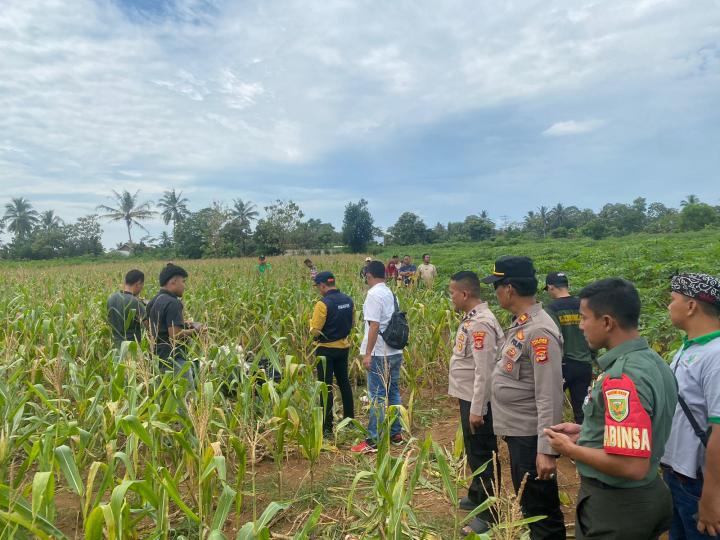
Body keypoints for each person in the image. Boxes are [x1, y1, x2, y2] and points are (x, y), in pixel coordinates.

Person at [544, 278, 678, 540]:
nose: (581, 326)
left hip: (617, 507)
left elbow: (631, 465)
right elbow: (638, 431)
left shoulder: (622, 377)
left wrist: (571, 450)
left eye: (584, 318)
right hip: (644, 495)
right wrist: (586, 432)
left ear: (607, 322)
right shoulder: (652, 361)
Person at [481, 256, 566, 540]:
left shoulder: (539, 331)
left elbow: (549, 394)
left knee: (541, 513)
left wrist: (546, 449)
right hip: (519, 434)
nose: (495, 293)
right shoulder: (521, 324)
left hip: (531, 438)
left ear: (509, 289)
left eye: (497, 286)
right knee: (532, 509)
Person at [661, 273, 720, 539]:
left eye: (672, 299)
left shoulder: (715, 355)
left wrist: (711, 496)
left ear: (691, 305)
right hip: (678, 476)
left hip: (699, 485)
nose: (668, 306)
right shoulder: (689, 348)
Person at [448, 271, 505, 536]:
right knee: (474, 450)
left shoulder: (480, 324)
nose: (451, 297)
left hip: (477, 400)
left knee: (483, 453)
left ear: (465, 294)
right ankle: (476, 495)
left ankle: (488, 514)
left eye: (452, 293)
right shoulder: (472, 319)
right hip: (469, 396)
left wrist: (478, 408)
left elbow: (485, 370)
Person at [351, 260, 405, 454]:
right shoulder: (391, 292)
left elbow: (374, 326)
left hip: (380, 353)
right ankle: (395, 433)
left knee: (377, 396)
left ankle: (374, 440)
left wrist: (368, 354)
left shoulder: (373, 295)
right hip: (395, 351)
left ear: (368, 275)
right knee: (393, 393)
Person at [545, 271, 595, 424]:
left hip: (563, 366)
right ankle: (584, 442)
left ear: (551, 287)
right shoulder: (584, 304)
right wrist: (591, 357)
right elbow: (594, 331)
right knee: (582, 409)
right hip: (584, 364)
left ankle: (554, 442)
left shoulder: (550, 309)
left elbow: (555, 338)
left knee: (551, 407)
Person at [310, 271, 355, 436]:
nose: (318, 290)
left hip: (325, 351)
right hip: (343, 347)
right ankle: (350, 420)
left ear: (323, 285)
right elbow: (352, 323)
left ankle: (327, 428)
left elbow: (315, 331)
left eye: (318, 287)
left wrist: (310, 324)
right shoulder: (348, 300)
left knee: (325, 387)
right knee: (344, 384)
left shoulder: (322, 304)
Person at [146, 263, 205, 385]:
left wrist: (184, 324)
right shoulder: (173, 303)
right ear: (173, 282)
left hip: (158, 360)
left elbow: (159, 327)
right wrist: (197, 331)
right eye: (183, 282)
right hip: (174, 361)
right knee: (186, 399)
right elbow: (175, 336)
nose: (185, 286)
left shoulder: (153, 301)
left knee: (165, 401)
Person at [107, 269, 146, 348]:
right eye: (142, 285)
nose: (142, 288)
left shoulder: (111, 297)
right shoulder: (135, 302)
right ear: (138, 284)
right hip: (131, 347)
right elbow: (148, 326)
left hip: (115, 346)